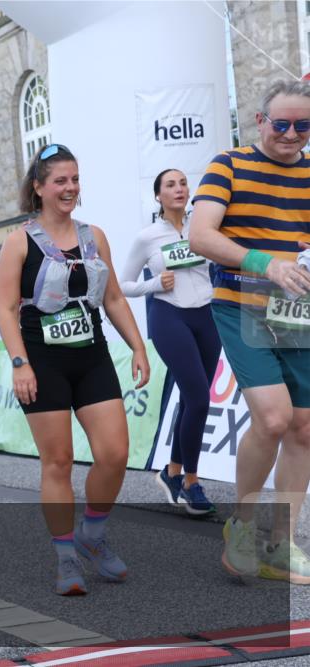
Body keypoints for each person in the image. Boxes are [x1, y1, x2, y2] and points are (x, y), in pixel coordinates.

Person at [0, 143, 150, 595]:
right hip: (42, 361)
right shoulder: (19, 241)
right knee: (58, 461)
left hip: (91, 355)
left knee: (115, 454)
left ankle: (92, 534)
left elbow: (113, 298)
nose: (70, 188)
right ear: (39, 187)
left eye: (75, 179)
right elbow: (6, 309)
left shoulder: (93, 235)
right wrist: (20, 363)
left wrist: (137, 347)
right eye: (60, 180)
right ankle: (65, 556)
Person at [190, 80, 310, 583]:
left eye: (302, 126)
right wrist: (267, 263)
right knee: (276, 418)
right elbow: (199, 235)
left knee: (305, 428)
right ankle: (241, 526)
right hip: (242, 305)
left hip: (298, 311)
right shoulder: (229, 165)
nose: (290, 134)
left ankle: (280, 543)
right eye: (280, 124)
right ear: (260, 121)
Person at [120, 168, 220, 515]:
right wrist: (153, 284)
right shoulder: (147, 237)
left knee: (193, 400)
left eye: (182, 183)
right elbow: (123, 284)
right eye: (170, 185)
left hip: (207, 316)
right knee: (199, 398)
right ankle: (191, 482)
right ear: (158, 195)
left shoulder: (204, 227)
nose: (178, 189)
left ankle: (172, 472)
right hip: (168, 316)